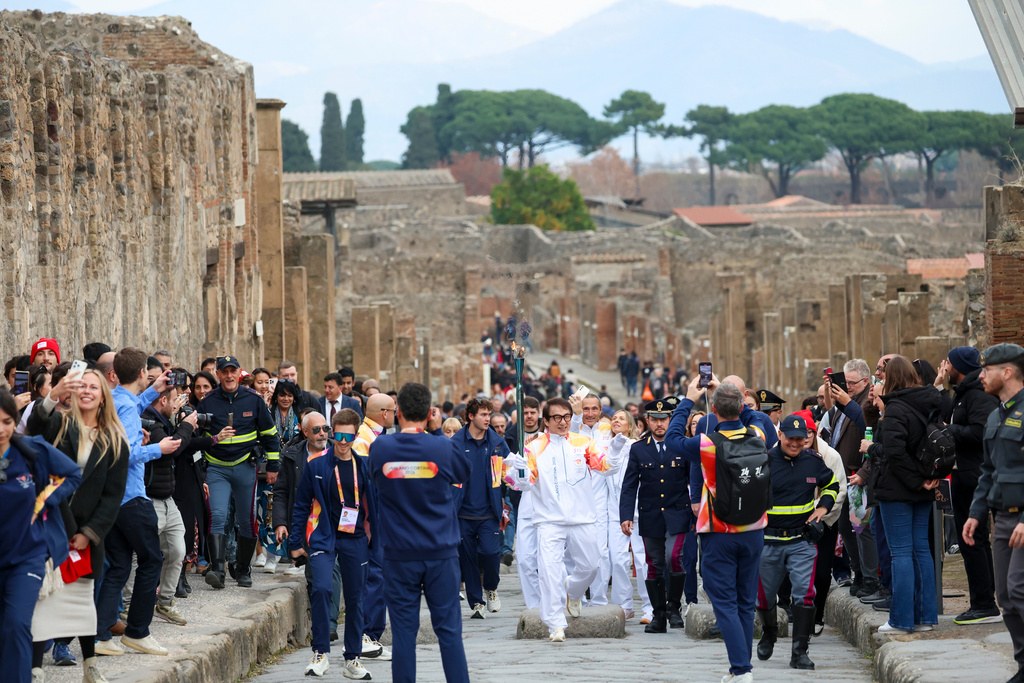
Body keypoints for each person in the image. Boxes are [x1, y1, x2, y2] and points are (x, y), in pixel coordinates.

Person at [27, 369, 128, 681]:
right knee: (45, 599)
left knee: (83, 603)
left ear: (103, 395)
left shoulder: (115, 441)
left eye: (93, 387)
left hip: (85, 534)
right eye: (81, 386)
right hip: (50, 523)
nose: (87, 391)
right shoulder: (60, 424)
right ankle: (35, 669)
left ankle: (90, 666)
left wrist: (89, 533)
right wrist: (53, 394)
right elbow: (35, 427)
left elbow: (113, 496)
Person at [666, 378, 768, 683]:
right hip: (754, 529)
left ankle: (742, 669)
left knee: (723, 601)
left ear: (716, 412)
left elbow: (672, 439)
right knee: (745, 602)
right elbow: (754, 417)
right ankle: (740, 668)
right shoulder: (759, 435)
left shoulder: (708, 443)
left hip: (718, 530)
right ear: (741, 406)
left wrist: (688, 400)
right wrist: (726, 387)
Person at [368, 383, 471, 683]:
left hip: (399, 554)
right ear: (429, 414)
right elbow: (463, 473)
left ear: (397, 413)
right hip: (440, 553)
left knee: (402, 634)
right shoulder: (442, 446)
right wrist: (438, 434)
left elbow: (376, 479)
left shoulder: (381, 448)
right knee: (450, 632)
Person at [505, 398, 625, 642]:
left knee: (592, 565)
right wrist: (517, 471)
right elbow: (525, 484)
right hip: (549, 520)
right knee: (549, 571)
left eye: (567, 416)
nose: (563, 422)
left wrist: (614, 451)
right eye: (557, 418)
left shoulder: (584, 443)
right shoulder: (534, 447)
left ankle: (574, 590)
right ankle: (555, 624)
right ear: (546, 421)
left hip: (582, 517)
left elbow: (605, 467)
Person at [95, 348, 179, 657]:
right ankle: (138, 632)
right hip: (132, 497)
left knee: (118, 566)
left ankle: (101, 635)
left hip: (114, 499)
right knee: (152, 561)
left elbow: (130, 404)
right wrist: (160, 448)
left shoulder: (116, 399)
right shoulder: (127, 409)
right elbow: (127, 454)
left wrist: (151, 393)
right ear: (143, 372)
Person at [0, 389, 82, 683]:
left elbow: (73, 474)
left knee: (16, 624)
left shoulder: (31, 450)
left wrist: (46, 497)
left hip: (28, 558)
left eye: (7, 421)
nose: (1, 429)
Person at [291, 409, 374, 679]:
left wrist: (380, 542)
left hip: (355, 539)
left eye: (348, 435)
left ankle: (352, 658)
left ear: (355, 434)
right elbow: (301, 505)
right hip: (324, 537)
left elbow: (375, 507)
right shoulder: (316, 466)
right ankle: (320, 653)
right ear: (331, 433)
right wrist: (295, 542)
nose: (342, 440)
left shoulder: (363, 466)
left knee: (355, 598)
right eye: (337, 434)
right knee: (322, 588)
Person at [755, 414, 839, 670]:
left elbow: (832, 485)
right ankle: (769, 632)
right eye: (790, 438)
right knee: (765, 598)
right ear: (780, 435)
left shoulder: (813, 462)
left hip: (801, 542)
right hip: (768, 542)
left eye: (800, 439)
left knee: (804, 595)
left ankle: (799, 651)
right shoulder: (764, 462)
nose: (795, 443)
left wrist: (823, 509)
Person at [867, 355, 941, 635]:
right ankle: (925, 617)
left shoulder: (897, 407)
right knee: (920, 550)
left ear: (891, 378)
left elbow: (894, 452)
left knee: (900, 553)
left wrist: (917, 481)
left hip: (900, 488)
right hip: (923, 485)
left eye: (883, 377)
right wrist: (924, 480)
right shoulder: (929, 401)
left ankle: (901, 619)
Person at [964, 343, 1024, 683]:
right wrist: (975, 513)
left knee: (1019, 589)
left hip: (1022, 520)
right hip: (1001, 518)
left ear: (1008, 372)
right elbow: (988, 471)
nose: (980, 375)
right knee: (1005, 596)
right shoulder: (995, 415)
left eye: (986, 370)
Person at [199, 355, 281, 589]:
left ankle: (243, 570)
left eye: (232, 371)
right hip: (216, 468)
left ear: (239, 373)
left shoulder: (253, 400)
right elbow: (198, 439)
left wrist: (273, 466)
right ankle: (217, 569)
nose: (228, 376)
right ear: (218, 374)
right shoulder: (207, 402)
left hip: (246, 467)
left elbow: (270, 436)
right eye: (224, 371)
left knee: (247, 520)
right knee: (218, 516)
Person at [936, 346, 1002, 625]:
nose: (944, 367)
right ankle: (985, 598)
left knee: (972, 539)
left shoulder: (977, 395)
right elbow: (946, 416)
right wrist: (939, 388)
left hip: (974, 475)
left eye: (948, 363)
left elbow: (979, 433)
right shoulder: (963, 393)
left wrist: (950, 430)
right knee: (973, 540)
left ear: (959, 366)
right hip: (964, 475)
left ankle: (984, 603)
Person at [619, 397, 691, 633]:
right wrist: (625, 515)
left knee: (674, 558)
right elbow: (630, 485)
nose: (660, 424)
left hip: (678, 514)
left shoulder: (682, 446)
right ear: (647, 421)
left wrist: (697, 507)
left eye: (664, 419)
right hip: (650, 516)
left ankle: (674, 607)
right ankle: (658, 615)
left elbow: (695, 480)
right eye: (655, 420)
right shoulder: (638, 449)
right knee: (654, 565)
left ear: (671, 420)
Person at [820, 358, 881, 600]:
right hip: (843, 476)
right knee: (846, 528)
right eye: (845, 382)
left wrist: (864, 473)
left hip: (859, 476)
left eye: (852, 383)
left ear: (865, 381)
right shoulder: (847, 402)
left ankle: (870, 578)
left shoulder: (868, 401)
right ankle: (858, 572)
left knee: (862, 529)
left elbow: (870, 428)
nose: (848, 387)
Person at [142, 383, 199, 626]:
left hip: (167, 499)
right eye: (175, 400)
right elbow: (171, 450)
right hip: (150, 498)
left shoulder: (163, 422)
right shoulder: (149, 422)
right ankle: (124, 607)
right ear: (163, 400)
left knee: (177, 550)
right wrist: (186, 426)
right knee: (142, 556)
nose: (178, 405)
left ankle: (164, 602)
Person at [451, 399, 510, 619]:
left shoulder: (496, 442)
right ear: (470, 417)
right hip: (462, 513)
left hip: (488, 511)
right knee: (467, 558)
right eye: (483, 415)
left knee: (490, 553)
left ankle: (491, 588)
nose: (488, 419)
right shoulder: (455, 443)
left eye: (489, 414)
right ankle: (476, 602)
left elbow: (507, 471)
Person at [352, 393, 397, 661]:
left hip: (381, 517)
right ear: (383, 413)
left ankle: (372, 634)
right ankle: (367, 635)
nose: (395, 414)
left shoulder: (375, 437)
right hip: (372, 520)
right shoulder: (364, 441)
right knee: (374, 577)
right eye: (393, 410)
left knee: (380, 576)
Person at [569, 393, 615, 607]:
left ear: (600, 411)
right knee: (574, 554)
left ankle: (598, 600)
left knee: (602, 554)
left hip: (599, 503)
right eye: (585, 409)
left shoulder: (606, 432)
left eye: (593, 409)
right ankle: (574, 596)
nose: (589, 413)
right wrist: (576, 415)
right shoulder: (572, 429)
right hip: (574, 503)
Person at [607, 409, 650, 621]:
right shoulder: (606, 448)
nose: (616, 420)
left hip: (638, 512)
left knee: (642, 561)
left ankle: (649, 606)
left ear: (631, 426)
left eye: (621, 418)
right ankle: (624, 604)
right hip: (615, 511)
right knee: (617, 560)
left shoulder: (638, 447)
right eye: (614, 418)